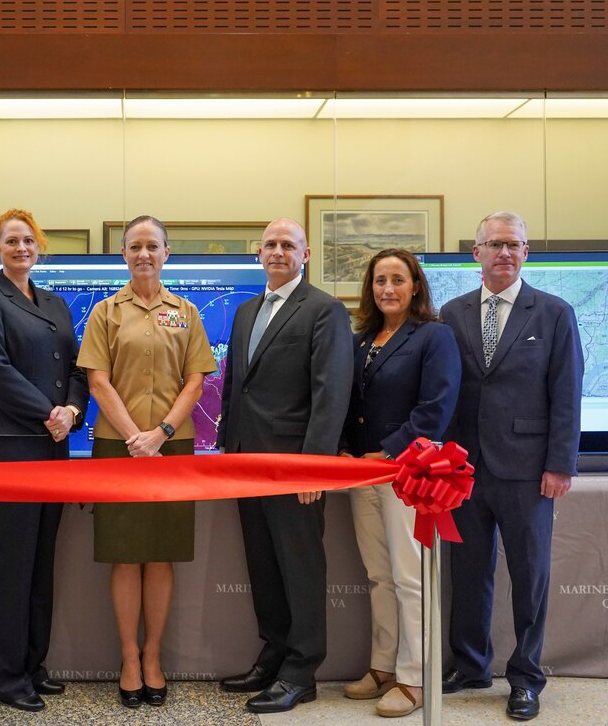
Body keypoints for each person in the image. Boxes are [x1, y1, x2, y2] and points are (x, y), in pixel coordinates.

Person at [440, 212, 583, 722]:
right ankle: (471, 666)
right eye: (494, 243)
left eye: (514, 244)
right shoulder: (451, 314)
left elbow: (566, 394)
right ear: (475, 252)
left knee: (530, 576)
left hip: (528, 470)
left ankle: (525, 677)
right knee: (469, 572)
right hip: (463, 470)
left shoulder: (554, 313)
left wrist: (560, 464)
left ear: (526, 253)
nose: (504, 251)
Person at [76, 215, 216, 709]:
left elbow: (196, 381)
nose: (143, 255)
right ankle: (129, 658)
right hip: (118, 448)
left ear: (166, 253)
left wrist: (162, 434)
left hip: (172, 449)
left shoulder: (187, 312)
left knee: (161, 555)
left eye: (152, 246)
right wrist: (137, 436)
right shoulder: (105, 313)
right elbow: (97, 381)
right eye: (134, 247)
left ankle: (153, 656)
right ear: (123, 256)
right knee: (124, 555)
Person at [217, 218, 354, 714]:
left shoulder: (325, 310)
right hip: (246, 461)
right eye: (270, 244)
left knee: (300, 567)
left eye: (288, 245)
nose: (278, 251)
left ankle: (302, 670)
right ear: (259, 253)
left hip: (295, 467)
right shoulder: (246, 310)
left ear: (306, 253)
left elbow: (331, 392)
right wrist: (226, 446)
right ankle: (273, 654)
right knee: (263, 564)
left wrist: (314, 468)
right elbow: (237, 384)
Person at [0, 209, 89, 713]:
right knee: (8, 568)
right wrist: (49, 413)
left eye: (28, 240)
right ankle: (9, 677)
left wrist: (73, 411)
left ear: (38, 247)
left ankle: (35, 666)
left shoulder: (56, 303)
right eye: (10, 241)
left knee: (40, 563)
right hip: (5, 449)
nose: (21, 248)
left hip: (52, 448)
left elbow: (77, 368)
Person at [340, 249, 460, 718]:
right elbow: (350, 402)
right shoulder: (361, 338)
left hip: (407, 472)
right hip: (361, 472)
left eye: (397, 280)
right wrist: (348, 448)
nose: (387, 288)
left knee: (411, 579)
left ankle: (415, 678)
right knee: (378, 576)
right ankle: (384, 667)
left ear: (415, 286)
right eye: (379, 280)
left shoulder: (435, 336)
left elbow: (436, 407)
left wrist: (388, 449)